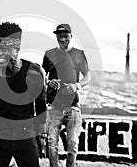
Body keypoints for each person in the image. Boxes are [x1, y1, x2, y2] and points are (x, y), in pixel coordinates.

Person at [0, 22, 46, 167]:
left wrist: (41, 136)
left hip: (26, 135)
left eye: (4, 46)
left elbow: (40, 105)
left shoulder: (34, 72)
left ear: (17, 47)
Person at [42, 24, 91, 167]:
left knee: (73, 143)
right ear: (56, 36)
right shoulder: (49, 53)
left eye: (66, 36)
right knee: (51, 143)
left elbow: (88, 76)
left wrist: (77, 86)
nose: (63, 39)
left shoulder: (79, 54)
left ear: (71, 36)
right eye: (60, 36)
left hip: (73, 106)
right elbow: (43, 75)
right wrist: (49, 82)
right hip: (54, 106)